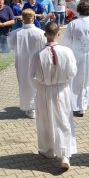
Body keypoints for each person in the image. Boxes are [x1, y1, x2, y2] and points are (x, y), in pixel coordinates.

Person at [30, 22, 77, 169]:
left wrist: (40, 86)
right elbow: (73, 71)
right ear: (58, 34)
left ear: (45, 35)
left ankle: (48, 150)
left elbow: (31, 77)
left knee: (46, 120)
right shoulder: (67, 51)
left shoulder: (38, 55)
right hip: (62, 90)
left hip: (45, 90)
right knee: (63, 120)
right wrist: (63, 81)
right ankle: (64, 154)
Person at [8, 10, 46, 119]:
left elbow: (10, 46)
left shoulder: (15, 33)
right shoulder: (41, 33)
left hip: (22, 62)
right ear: (34, 18)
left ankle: (29, 107)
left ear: (22, 19)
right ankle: (36, 106)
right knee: (36, 82)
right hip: (37, 62)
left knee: (24, 84)